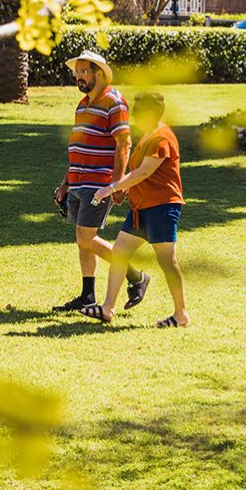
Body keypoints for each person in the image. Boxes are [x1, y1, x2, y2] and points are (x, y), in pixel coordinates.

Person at [78, 92, 189, 328]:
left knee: (168, 261)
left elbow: (144, 172)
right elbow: (139, 174)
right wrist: (124, 190)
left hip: (161, 208)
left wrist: (111, 188)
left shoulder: (162, 137)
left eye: (137, 112)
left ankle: (181, 315)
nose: (133, 117)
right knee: (119, 253)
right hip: (141, 209)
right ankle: (107, 308)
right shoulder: (148, 136)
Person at [53, 51, 150, 313]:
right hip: (78, 181)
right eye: (77, 73)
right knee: (81, 237)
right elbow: (78, 146)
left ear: (98, 73)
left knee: (87, 237)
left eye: (84, 72)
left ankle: (136, 277)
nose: (79, 77)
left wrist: (118, 183)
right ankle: (87, 296)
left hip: (99, 183)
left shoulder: (114, 101)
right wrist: (66, 183)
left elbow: (124, 144)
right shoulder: (83, 104)